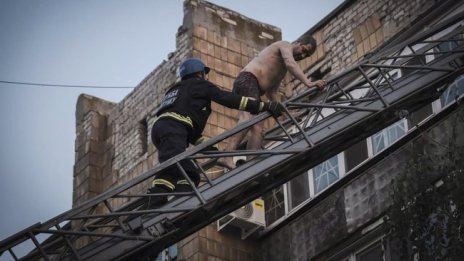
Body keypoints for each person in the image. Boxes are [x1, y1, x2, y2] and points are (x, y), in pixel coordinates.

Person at [148, 57, 284, 207]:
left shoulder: (177, 91)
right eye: (205, 74)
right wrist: (264, 106)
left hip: (162, 130)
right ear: (200, 74)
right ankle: (182, 205)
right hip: (174, 128)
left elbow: (194, 136)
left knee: (170, 170)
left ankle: (155, 202)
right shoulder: (200, 85)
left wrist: (213, 151)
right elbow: (229, 99)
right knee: (189, 173)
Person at [217, 35, 328, 169]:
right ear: (298, 43)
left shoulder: (282, 70)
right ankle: (226, 156)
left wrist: (287, 114)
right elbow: (290, 62)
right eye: (304, 50)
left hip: (255, 89)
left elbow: (271, 93)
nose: (303, 55)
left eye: (306, 55)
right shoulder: (285, 45)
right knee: (246, 119)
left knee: (258, 128)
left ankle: (251, 165)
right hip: (248, 80)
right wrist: (308, 83)